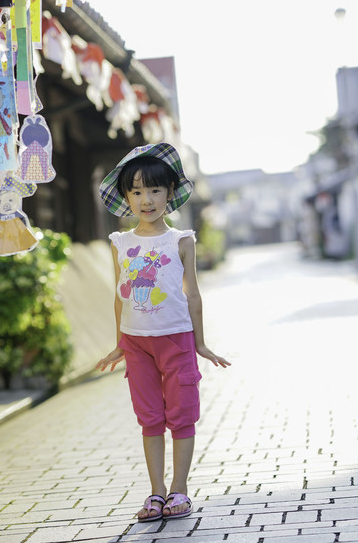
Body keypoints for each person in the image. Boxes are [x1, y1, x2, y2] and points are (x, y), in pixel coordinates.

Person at [96, 142, 231, 522]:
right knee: (150, 418)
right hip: (137, 345)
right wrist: (119, 344)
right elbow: (120, 296)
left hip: (177, 338)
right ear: (126, 197)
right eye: (136, 191)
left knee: (181, 414)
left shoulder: (181, 239)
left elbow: (192, 293)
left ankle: (179, 490)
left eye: (154, 190)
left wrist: (200, 343)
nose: (146, 199)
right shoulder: (119, 243)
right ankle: (156, 493)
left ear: (170, 193)